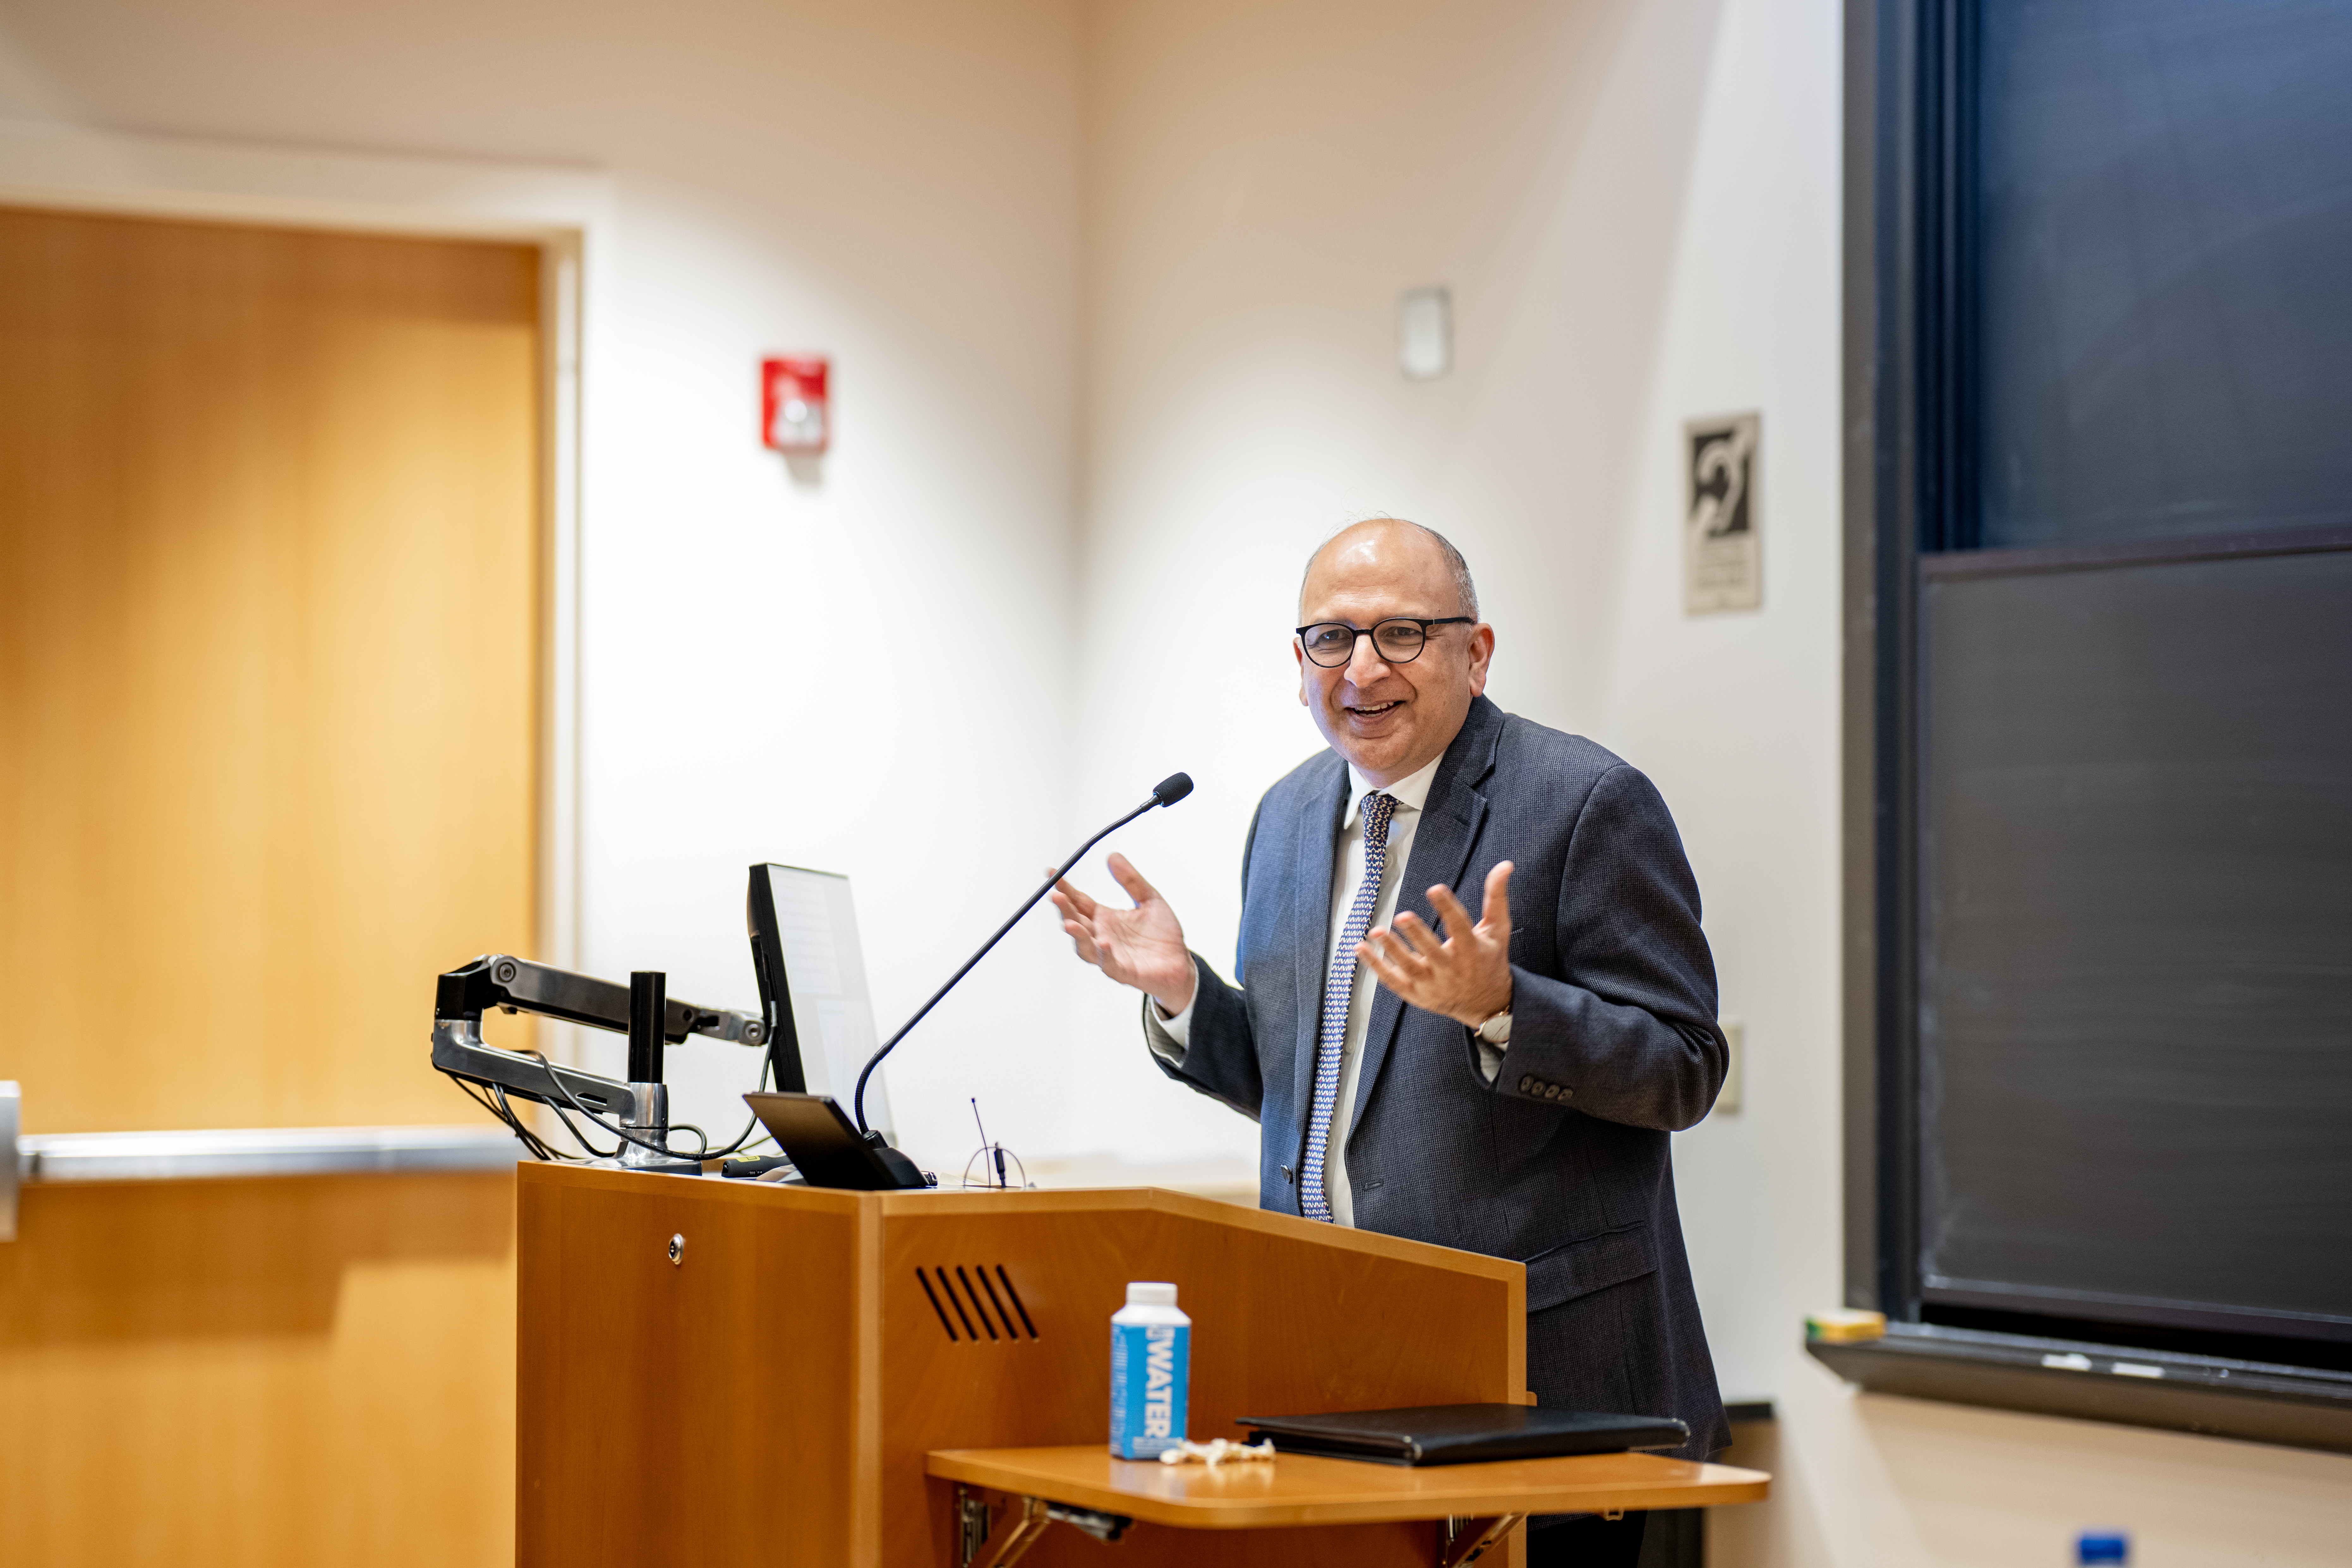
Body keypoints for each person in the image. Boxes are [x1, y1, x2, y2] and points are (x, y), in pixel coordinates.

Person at [1050, 517, 1728, 1567]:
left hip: (1541, 1390)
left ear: (1477, 650)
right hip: (1335, 1373)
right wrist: (1183, 994)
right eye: (1331, 638)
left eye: (1402, 633)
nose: (1362, 669)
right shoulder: (1287, 814)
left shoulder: (1585, 801)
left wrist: (1507, 1005)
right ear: (1299, 661)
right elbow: (1311, 1088)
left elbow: (1685, 1065)